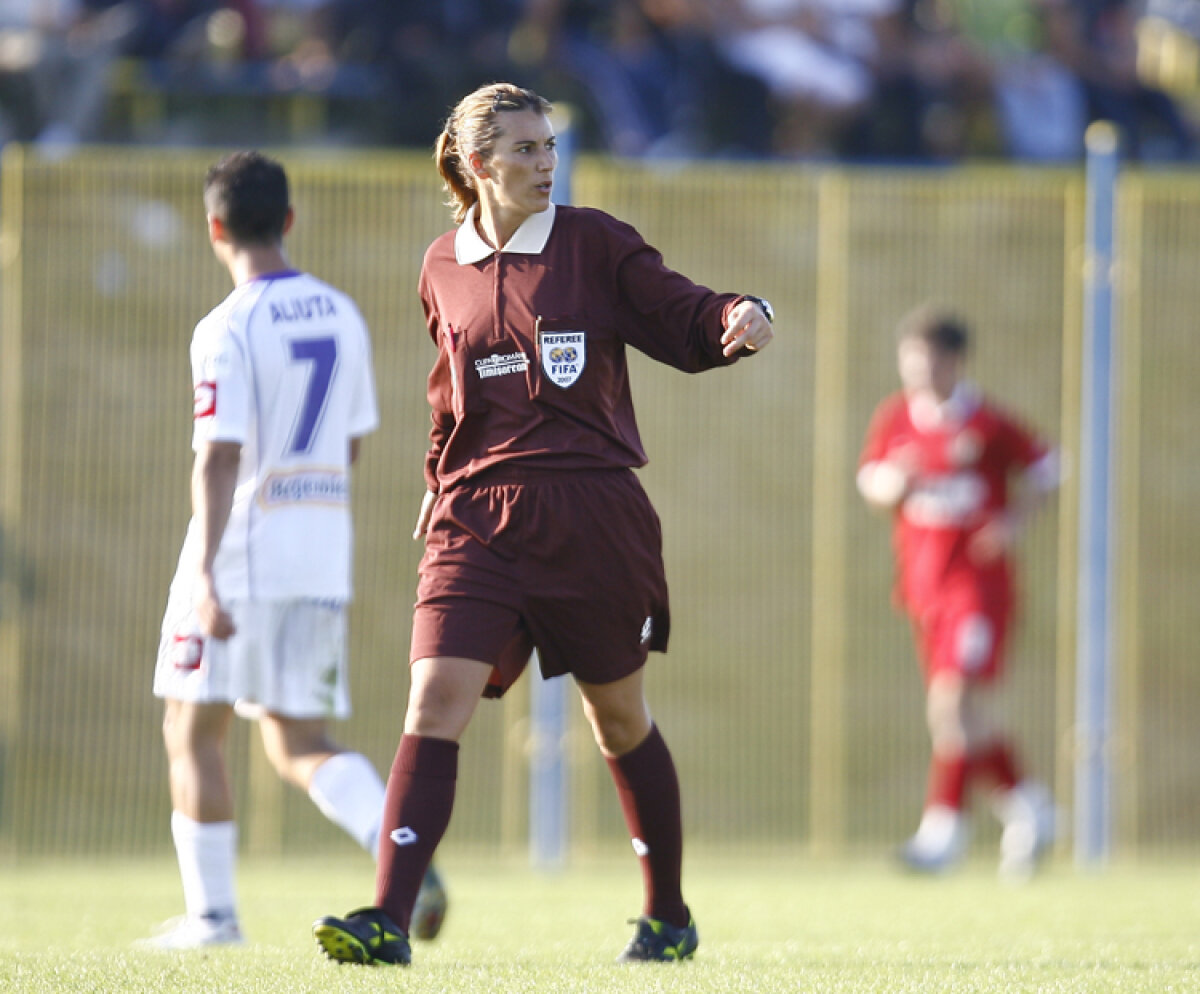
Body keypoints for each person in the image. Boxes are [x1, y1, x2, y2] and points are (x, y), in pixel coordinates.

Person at [311, 81, 775, 967]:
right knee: (434, 698)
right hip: (475, 516)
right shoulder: (439, 263)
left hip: (592, 511)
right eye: (524, 150)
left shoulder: (595, 242)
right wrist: (434, 479)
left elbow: (683, 312)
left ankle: (668, 917)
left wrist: (736, 315)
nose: (543, 164)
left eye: (549, 147)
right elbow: (450, 397)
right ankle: (387, 920)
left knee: (618, 720)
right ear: (477, 164)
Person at [144, 150, 446, 949]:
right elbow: (347, 444)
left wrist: (205, 574)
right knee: (298, 738)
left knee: (192, 729)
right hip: (319, 551)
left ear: (215, 228)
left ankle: (213, 919)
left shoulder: (227, 326)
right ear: (289, 220)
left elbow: (219, 452)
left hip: (241, 552)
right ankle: (402, 852)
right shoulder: (340, 314)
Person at [856, 305, 1059, 880]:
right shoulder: (897, 419)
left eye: (930, 361)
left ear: (954, 361)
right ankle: (1031, 808)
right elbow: (872, 482)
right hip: (924, 587)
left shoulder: (988, 425)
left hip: (979, 586)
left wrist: (1015, 523)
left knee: (952, 703)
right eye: (911, 361)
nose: (920, 373)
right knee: (963, 715)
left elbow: (1048, 466)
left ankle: (943, 832)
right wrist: (898, 480)